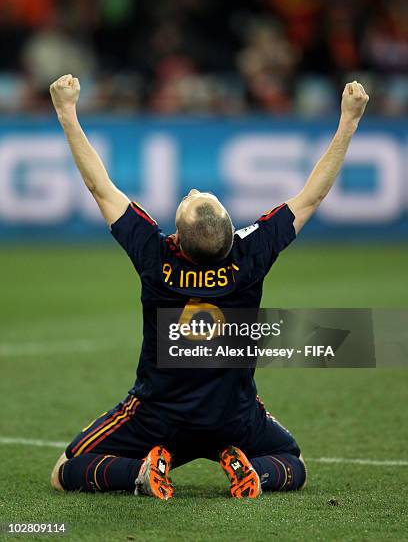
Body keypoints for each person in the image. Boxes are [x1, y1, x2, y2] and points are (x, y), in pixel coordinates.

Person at [49, 75, 369, 499]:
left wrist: (67, 112)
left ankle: (142, 473)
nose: (195, 190)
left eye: (194, 198)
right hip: (233, 418)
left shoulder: (154, 256)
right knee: (295, 464)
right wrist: (349, 121)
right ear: (232, 232)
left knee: (65, 470)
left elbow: (98, 185)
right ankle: (255, 473)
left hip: (158, 416)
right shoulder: (249, 255)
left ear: (177, 239)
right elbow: (311, 197)